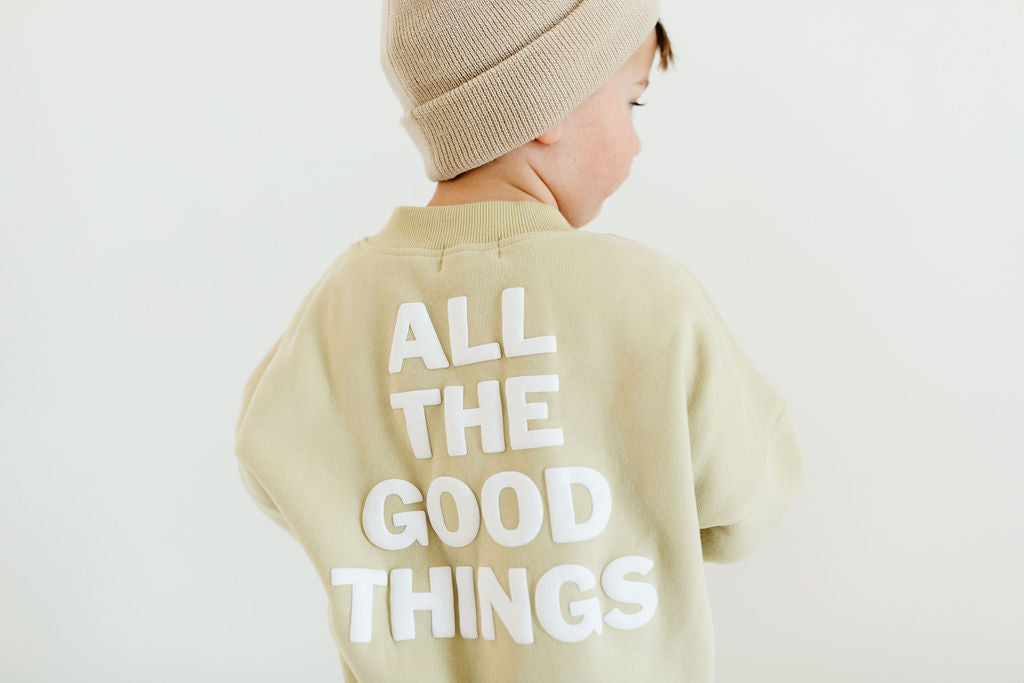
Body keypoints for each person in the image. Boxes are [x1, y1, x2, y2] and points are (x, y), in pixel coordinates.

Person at [234, 1, 805, 680]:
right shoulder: (650, 300)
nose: (637, 141)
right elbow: (754, 495)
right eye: (632, 103)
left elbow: (266, 461)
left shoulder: (340, 307)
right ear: (548, 104)